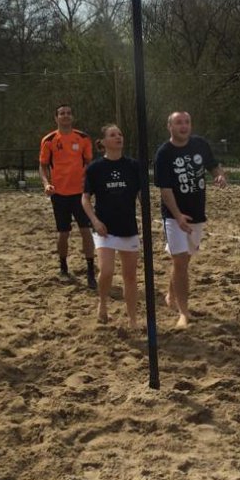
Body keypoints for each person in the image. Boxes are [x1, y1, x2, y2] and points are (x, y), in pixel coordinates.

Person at [154, 111, 227, 329]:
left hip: (196, 213)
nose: (183, 126)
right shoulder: (164, 153)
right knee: (180, 261)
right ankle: (184, 312)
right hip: (174, 216)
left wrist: (219, 175)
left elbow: (213, 165)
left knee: (183, 261)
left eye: (186, 122)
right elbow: (165, 190)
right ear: (170, 127)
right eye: (178, 123)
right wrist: (177, 215)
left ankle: (171, 294)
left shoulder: (200, 144)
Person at [81, 125, 142, 328]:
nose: (118, 137)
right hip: (104, 228)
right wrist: (95, 221)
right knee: (106, 270)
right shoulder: (95, 168)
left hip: (128, 227)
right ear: (103, 142)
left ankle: (132, 319)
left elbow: (140, 193)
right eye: (113, 135)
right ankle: (103, 303)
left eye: (120, 134)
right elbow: (85, 198)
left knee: (130, 276)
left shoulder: (133, 166)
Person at [39, 104, 96, 288]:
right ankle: (63, 267)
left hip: (80, 194)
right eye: (62, 113)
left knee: (86, 231)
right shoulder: (49, 140)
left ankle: (90, 269)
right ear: (56, 118)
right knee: (63, 233)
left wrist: (90, 185)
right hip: (59, 194)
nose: (65, 116)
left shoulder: (83, 138)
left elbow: (89, 164)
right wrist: (46, 184)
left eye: (68, 113)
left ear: (73, 117)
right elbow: (43, 166)